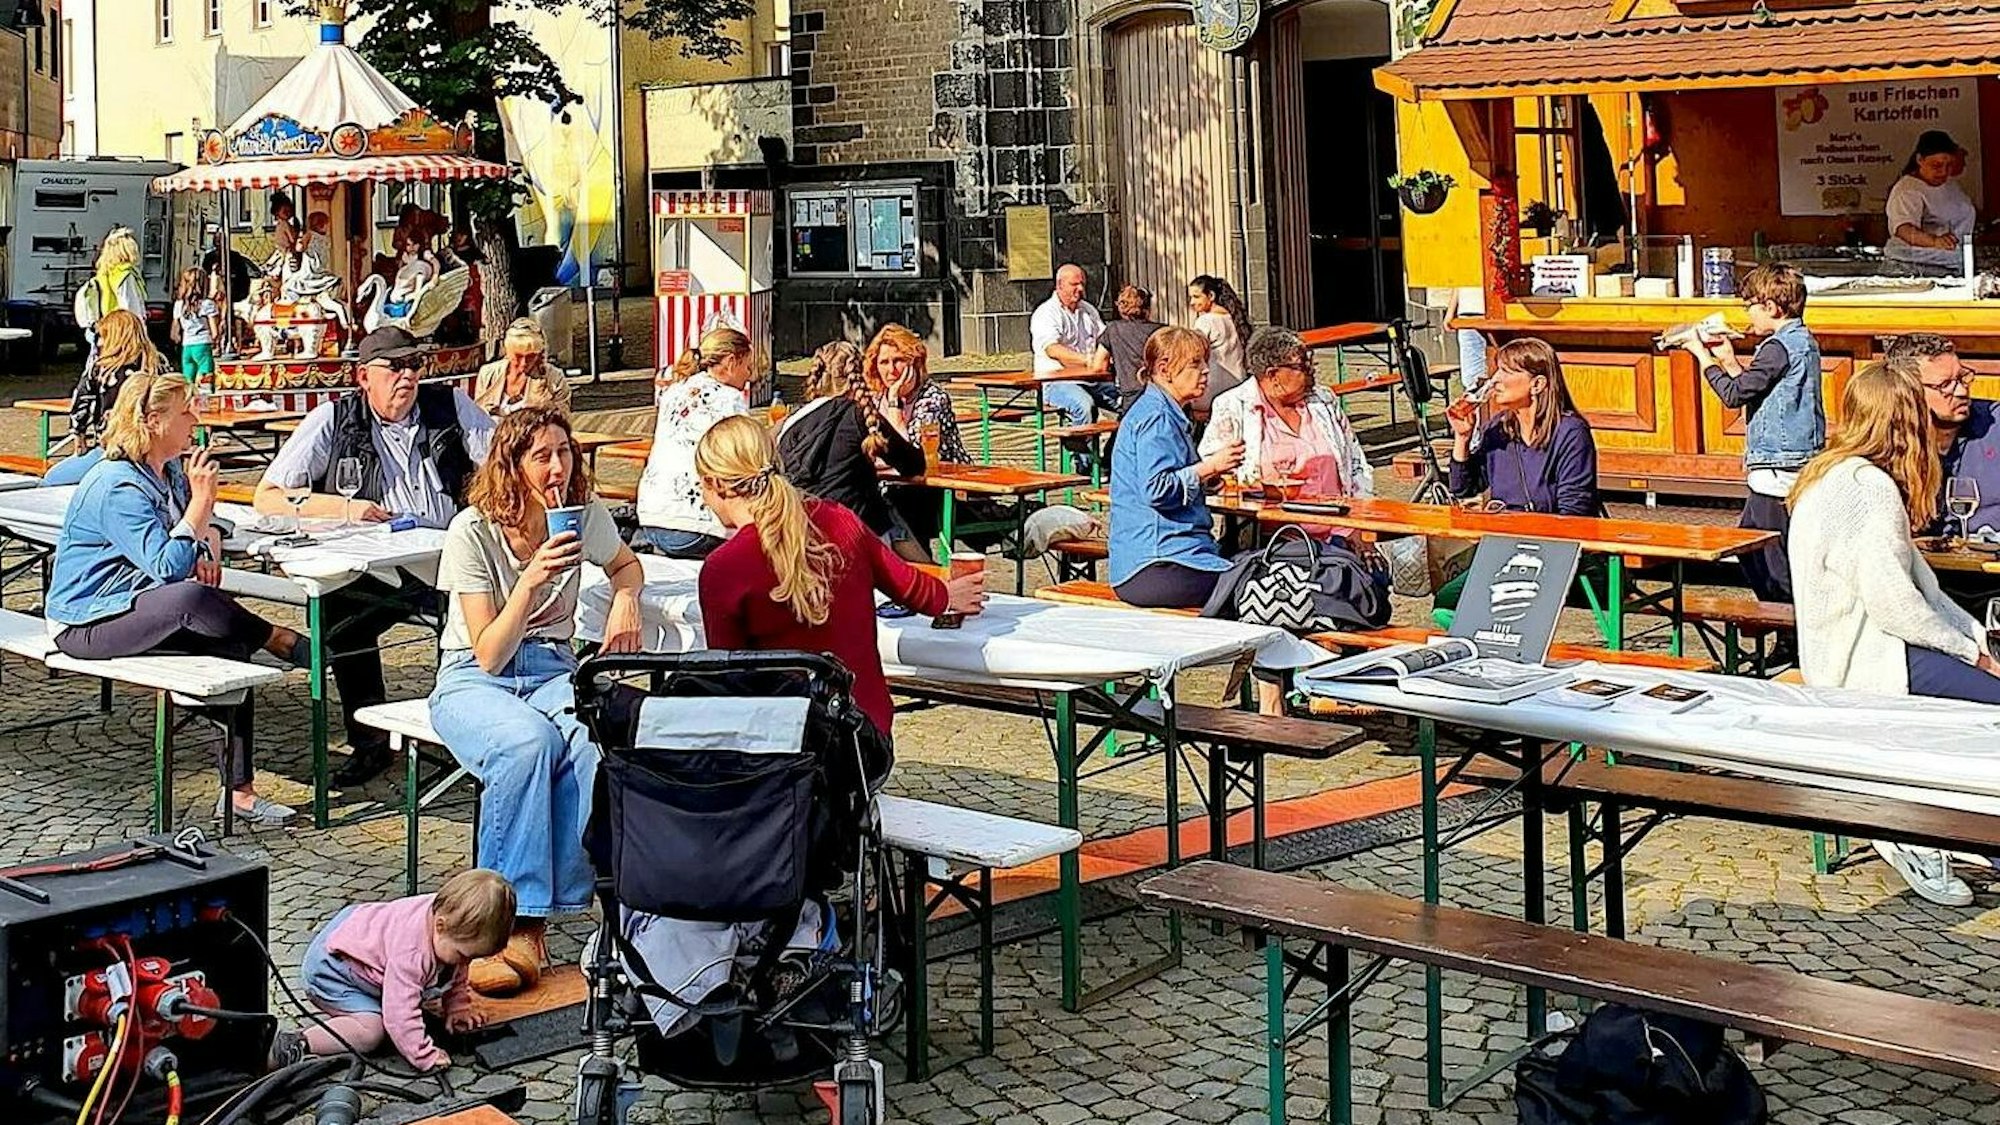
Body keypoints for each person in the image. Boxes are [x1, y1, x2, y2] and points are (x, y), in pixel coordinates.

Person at [428, 406, 644, 995]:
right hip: (474, 675)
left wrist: (626, 595)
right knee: (528, 746)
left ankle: (560, 911)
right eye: (541, 456)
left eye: (564, 452)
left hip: (552, 663)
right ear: (512, 465)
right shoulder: (473, 530)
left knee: (588, 738)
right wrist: (529, 580)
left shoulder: (580, 514)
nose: (556, 467)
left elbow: (626, 565)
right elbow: (490, 653)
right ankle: (509, 920)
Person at [47, 373, 309, 825]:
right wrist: (203, 504)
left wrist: (205, 542)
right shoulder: (117, 485)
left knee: (229, 648)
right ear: (151, 421)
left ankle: (238, 793)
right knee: (191, 597)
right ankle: (277, 637)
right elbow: (168, 563)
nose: (196, 419)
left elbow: (204, 530)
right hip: (87, 620)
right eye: (186, 411)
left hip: (141, 602)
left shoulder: (168, 471)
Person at [1788, 359, 2000, 906]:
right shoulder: (1866, 487)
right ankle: (1922, 829)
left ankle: (1957, 825)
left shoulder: (1834, 473)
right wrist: (1972, 654)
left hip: (1868, 647)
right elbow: (1896, 607)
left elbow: (1923, 592)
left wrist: (1976, 640)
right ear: (1905, 421)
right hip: (1866, 660)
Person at [256, 326, 497, 785]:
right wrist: (346, 508)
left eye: (414, 366)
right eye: (395, 367)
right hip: (381, 564)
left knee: (474, 626)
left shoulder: (450, 407)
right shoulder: (333, 419)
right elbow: (268, 497)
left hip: (450, 558)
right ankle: (369, 742)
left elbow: (504, 464)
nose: (407, 377)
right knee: (340, 614)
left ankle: (469, 737)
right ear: (364, 375)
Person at [698, 415, 985, 739]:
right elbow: (911, 587)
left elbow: (729, 681)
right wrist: (947, 595)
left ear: (717, 484)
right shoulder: (840, 519)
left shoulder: (722, 569)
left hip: (784, 746)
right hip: (865, 736)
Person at [269, 869, 515, 1071]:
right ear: (440, 925)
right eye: (464, 955)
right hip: (332, 970)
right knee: (371, 1031)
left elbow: (456, 973)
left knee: (422, 985)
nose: (465, 963)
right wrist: (423, 1055)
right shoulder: (412, 951)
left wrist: (458, 1007)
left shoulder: (451, 919)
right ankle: (298, 1043)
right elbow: (399, 1012)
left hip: (360, 946)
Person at [1679, 262, 1824, 603]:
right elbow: (1756, 385)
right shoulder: (1800, 340)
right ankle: (1787, 627)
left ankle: (1790, 630)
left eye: (1751, 306)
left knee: (1767, 556)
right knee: (1757, 546)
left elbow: (1734, 395)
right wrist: (1728, 360)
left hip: (1780, 467)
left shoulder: (1778, 346)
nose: (1748, 314)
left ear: (1771, 307)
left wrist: (1701, 355)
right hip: (1792, 461)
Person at [1439, 337, 1600, 616]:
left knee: (1479, 606)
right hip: (1504, 549)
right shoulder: (1497, 430)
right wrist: (1462, 438)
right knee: (1447, 602)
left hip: (1556, 553)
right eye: (1496, 370)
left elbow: (1574, 512)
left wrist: (1515, 528)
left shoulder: (1571, 433)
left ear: (1537, 384)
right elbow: (1463, 488)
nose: (1495, 380)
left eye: (1507, 372)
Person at [1107, 326, 1242, 609]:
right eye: (1195, 363)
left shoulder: (1163, 411)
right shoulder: (1157, 417)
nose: (1206, 371)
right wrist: (1209, 467)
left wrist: (1212, 476)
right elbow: (1156, 489)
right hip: (1159, 564)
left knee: (1248, 568)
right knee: (1257, 584)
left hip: (1154, 562)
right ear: (1165, 368)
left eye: (1205, 362)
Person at [777, 340, 929, 560]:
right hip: (855, 529)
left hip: (800, 528)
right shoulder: (859, 414)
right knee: (890, 512)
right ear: (860, 375)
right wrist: (894, 402)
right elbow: (913, 464)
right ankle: (935, 582)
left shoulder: (792, 419)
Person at [1201, 325, 1373, 501]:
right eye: (1302, 366)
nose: (1311, 371)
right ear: (1273, 374)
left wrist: (1362, 506)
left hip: (1341, 523)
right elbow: (1214, 473)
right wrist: (1253, 488)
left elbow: (1356, 462)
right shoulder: (1232, 406)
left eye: (1310, 363)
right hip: (1271, 523)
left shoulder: (1324, 399)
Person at [634, 327, 753, 559]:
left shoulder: (674, 391)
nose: (749, 376)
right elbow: (743, 457)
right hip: (695, 525)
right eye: (747, 366)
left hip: (651, 514)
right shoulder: (729, 399)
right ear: (731, 362)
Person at [867, 323, 982, 552]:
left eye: (899, 360)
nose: (892, 370)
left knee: (899, 504)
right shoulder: (873, 399)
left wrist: (893, 404)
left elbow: (912, 458)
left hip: (939, 489)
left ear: (914, 362)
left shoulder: (932, 399)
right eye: (884, 362)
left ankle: (920, 576)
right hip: (893, 485)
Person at [47, 310, 166, 488]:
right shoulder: (158, 365)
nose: (99, 342)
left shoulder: (103, 368)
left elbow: (81, 402)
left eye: (102, 336)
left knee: (51, 480)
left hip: (114, 449)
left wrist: (79, 435)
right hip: (154, 449)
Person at [1033, 264, 1119, 475]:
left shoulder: (1088, 311)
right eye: (1074, 284)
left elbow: (1105, 339)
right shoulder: (1046, 313)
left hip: (1094, 379)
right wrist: (1086, 359)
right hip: (1056, 381)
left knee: (1132, 401)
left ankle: (1110, 458)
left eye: (1082, 284)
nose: (1079, 289)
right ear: (1059, 285)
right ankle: (1085, 465)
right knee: (1084, 405)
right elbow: (1052, 349)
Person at [1884, 131, 1977, 273]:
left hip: (1951, 261)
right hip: (1915, 267)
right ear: (1920, 159)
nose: (1943, 172)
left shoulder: (1950, 184)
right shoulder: (1908, 190)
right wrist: (1934, 241)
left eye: (1949, 165)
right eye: (1936, 165)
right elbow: (1904, 229)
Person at [472, 318, 572, 416]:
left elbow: (563, 421)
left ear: (538, 354)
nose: (523, 363)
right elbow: (477, 417)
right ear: (507, 351)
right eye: (518, 356)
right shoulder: (487, 374)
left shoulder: (554, 379)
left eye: (530, 356)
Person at [73, 227, 147, 355]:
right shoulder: (125, 275)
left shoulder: (102, 275)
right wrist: (142, 336)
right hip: (122, 332)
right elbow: (131, 308)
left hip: (104, 329)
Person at [1092, 285, 1166, 412]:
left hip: (1132, 397)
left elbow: (1098, 366)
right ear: (1148, 309)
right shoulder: (1163, 331)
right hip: (1163, 394)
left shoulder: (1113, 330)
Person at [1188, 274, 1250, 411]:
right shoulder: (1236, 320)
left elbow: (1194, 354)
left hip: (1212, 391)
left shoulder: (1205, 321)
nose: (1192, 302)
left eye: (1196, 297)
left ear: (1210, 296)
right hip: (1239, 387)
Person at [171, 267, 221, 383]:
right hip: (203, 343)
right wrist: (216, 342)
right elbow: (215, 332)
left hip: (187, 346)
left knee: (188, 381)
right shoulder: (207, 304)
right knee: (205, 379)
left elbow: (174, 334)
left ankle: (189, 400)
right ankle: (204, 400)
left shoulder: (179, 305)